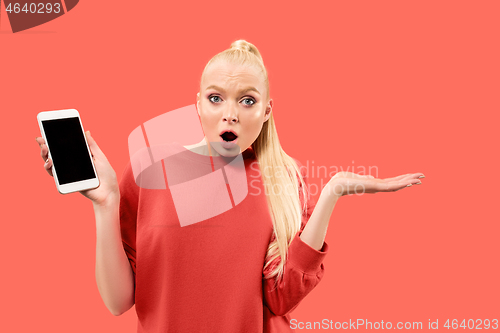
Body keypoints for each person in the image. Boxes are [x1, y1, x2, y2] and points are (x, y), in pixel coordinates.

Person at [36, 40, 425, 332]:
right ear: (198, 106)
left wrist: (333, 192)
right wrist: (105, 204)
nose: (230, 114)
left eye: (247, 101)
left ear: (267, 110)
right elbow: (118, 301)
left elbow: (280, 297)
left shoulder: (284, 181)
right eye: (216, 98)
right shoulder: (149, 170)